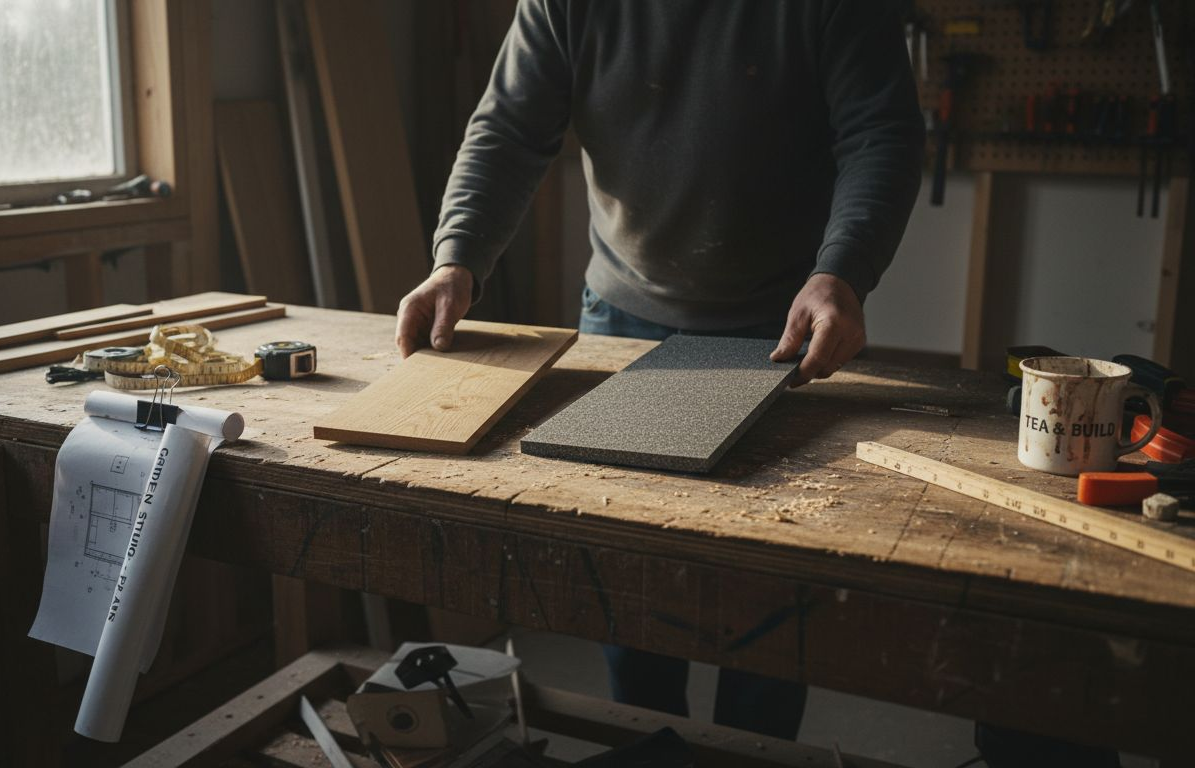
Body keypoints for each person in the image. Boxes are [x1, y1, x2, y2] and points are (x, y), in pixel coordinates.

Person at [393, 2, 1119, 765]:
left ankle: (756, 751)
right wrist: (458, 259)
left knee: (767, 592)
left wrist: (842, 272)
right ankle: (644, 743)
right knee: (625, 571)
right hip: (624, 312)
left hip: (780, 327)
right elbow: (508, 131)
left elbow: (882, 135)